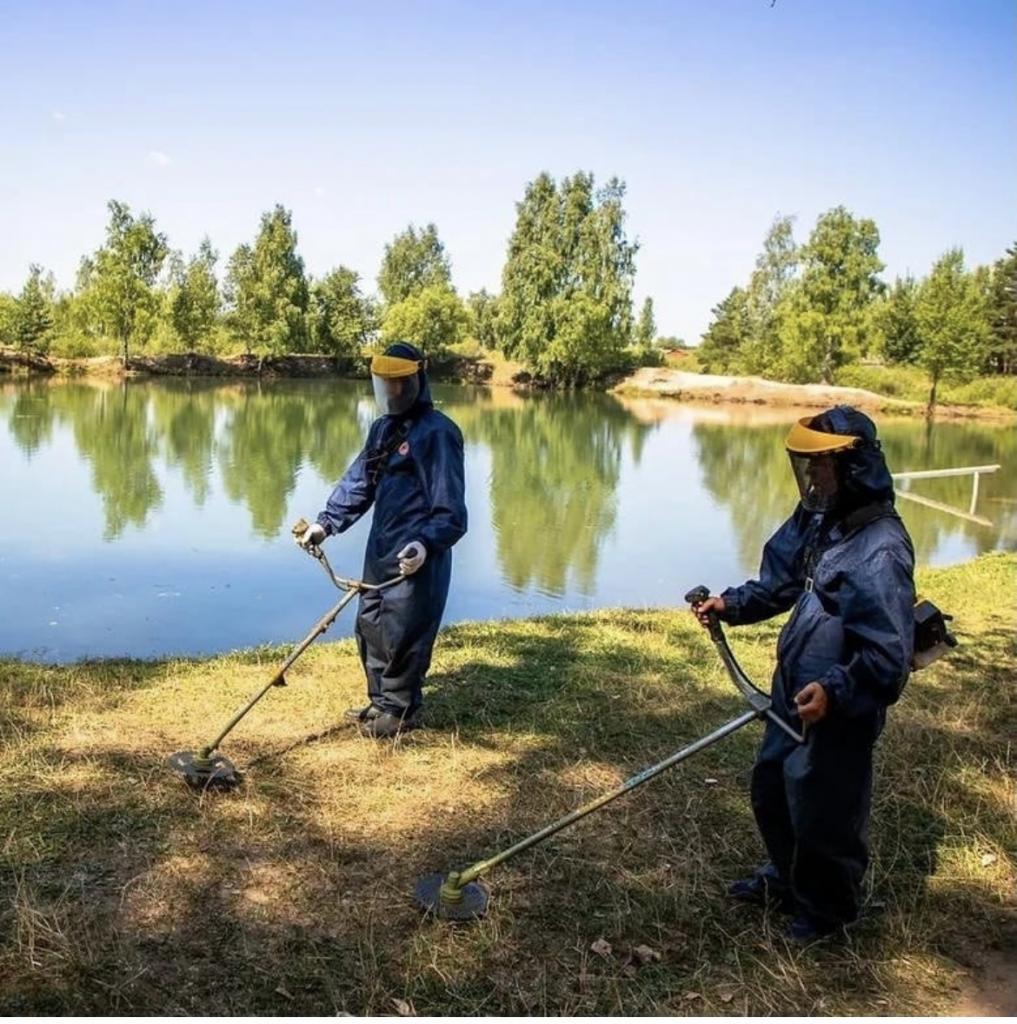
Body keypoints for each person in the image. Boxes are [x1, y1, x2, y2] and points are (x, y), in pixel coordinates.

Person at [692, 406, 915, 944]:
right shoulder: (820, 517)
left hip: (835, 703)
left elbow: (887, 657)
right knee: (774, 787)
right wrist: (731, 605)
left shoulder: (880, 549)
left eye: (822, 466)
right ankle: (787, 877)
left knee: (825, 806)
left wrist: (836, 691)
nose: (811, 478)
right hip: (792, 690)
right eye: (806, 466)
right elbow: (781, 580)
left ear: (855, 467)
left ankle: (827, 912)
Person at [295, 341, 467, 738]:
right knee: (370, 622)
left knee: (404, 629)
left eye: (398, 384)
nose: (390, 392)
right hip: (381, 548)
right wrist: (325, 524)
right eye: (383, 384)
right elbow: (360, 483)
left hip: (416, 555)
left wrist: (425, 545)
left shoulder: (439, 434)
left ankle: (403, 709)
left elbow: (451, 513)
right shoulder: (384, 429)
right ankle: (380, 701)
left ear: (416, 382)